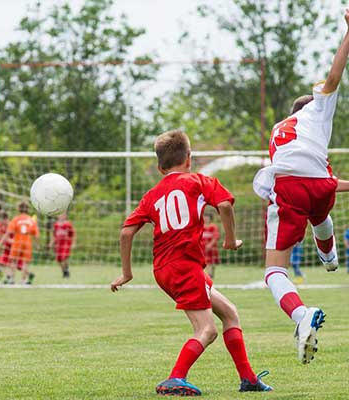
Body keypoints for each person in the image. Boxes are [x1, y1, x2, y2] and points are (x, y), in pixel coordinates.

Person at [111, 130, 271, 396]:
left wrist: (126, 273)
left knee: (229, 312)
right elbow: (225, 205)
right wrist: (231, 240)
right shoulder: (198, 181)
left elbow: (126, 232)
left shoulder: (152, 195)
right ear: (189, 158)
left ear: (160, 167)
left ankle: (249, 379)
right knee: (207, 330)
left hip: (164, 269)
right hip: (184, 266)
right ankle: (175, 378)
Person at [252, 8, 349, 364]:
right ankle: (330, 258)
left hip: (290, 185)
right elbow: (334, 76)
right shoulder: (317, 109)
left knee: (273, 270)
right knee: (321, 211)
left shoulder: (280, 129)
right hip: (317, 185)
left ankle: (300, 315)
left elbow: (296, 171)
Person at [0, 201, 38, 285]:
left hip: (17, 242)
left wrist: (1, 242)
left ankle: (11, 279)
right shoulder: (31, 220)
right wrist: (37, 245)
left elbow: (8, 232)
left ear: (18, 209)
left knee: (13, 261)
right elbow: (36, 234)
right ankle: (23, 280)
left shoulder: (16, 219)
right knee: (25, 262)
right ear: (28, 209)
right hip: (27, 243)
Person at [51, 213, 75, 278]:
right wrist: (52, 243)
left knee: (64, 258)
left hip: (66, 244)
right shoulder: (56, 224)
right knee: (58, 260)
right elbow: (54, 235)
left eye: (63, 215)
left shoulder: (68, 224)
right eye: (60, 215)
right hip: (58, 245)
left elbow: (73, 234)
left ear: (65, 216)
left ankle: (66, 271)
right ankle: (65, 271)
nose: (61, 216)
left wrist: (73, 243)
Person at [201, 212, 220, 279]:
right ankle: (206, 275)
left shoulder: (213, 226)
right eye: (204, 217)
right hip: (202, 248)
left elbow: (216, 237)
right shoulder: (201, 226)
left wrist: (210, 245)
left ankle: (210, 273)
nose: (205, 219)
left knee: (210, 261)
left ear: (210, 218)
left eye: (207, 217)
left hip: (211, 248)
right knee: (203, 261)